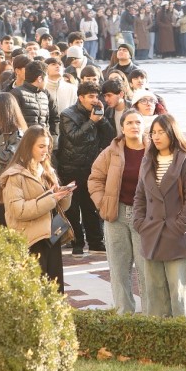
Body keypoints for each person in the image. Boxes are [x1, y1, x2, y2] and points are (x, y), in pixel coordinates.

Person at [132, 114, 186, 317]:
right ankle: (158, 344)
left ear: (172, 132)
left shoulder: (185, 160)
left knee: (179, 296)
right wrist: (139, 223)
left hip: (177, 238)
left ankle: (182, 343)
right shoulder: (147, 160)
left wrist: (180, 226)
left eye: (161, 132)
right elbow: (140, 196)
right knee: (155, 297)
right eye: (153, 132)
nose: (156, 137)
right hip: (151, 234)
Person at [0, 125, 74, 292]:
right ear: (28, 146)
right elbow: (17, 210)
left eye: (47, 147)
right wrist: (50, 199)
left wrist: (64, 194)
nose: (45, 151)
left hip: (51, 236)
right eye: (41, 146)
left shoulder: (47, 170)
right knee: (36, 292)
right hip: (30, 240)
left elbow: (61, 207)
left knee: (55, 292)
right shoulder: (14, 175)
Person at [89, 109, 148, 314]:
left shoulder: (153, 151)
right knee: (119, 269)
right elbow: (95, 179)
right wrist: (102, 203)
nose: (134, 126)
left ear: (144, 126)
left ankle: (149, 317)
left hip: (145, 217)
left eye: (138, 122)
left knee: (146, 270)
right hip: (116, 215)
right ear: (122, 128)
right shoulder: (111, 152)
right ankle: (124, 314)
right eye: (130, 123)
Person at [59, 81, 116, 255]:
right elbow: (75, 137)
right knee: (73, 208)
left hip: (91, 167)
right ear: (81, 97)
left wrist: (102, 118)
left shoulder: (97, 113)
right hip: (71, 167)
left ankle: (96, 242)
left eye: (96, 96)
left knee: (91, 206)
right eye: (90, 96)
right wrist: (92, 121)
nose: (94, 100)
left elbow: (110, 136)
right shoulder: (67, 114)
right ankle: (77, 242)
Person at [0, 92, 27, 225]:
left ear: (3, 108)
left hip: (6, 184)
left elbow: (10, 156)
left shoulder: (17, 132)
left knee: (5, 222)